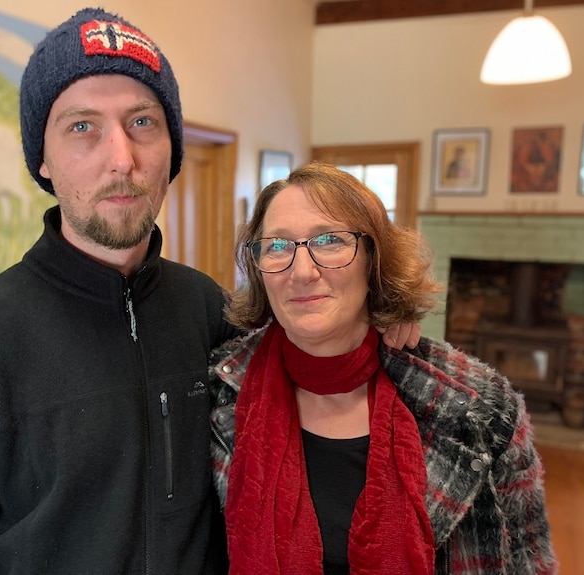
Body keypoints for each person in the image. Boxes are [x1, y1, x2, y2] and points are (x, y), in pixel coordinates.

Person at [0, 8, 418, 574]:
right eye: (82, 127)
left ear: (172, 151)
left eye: (142, 122)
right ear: (40, 158)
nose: (122, 159)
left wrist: (381, 319)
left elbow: (312, 356)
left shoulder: (210, 311)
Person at [209, 162, 558, 575]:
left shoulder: (481, 410)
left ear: (374, 259)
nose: (302, 272)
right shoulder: (217, 389)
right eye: (278, 246)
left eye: (330, 240)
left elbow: (529, 563)